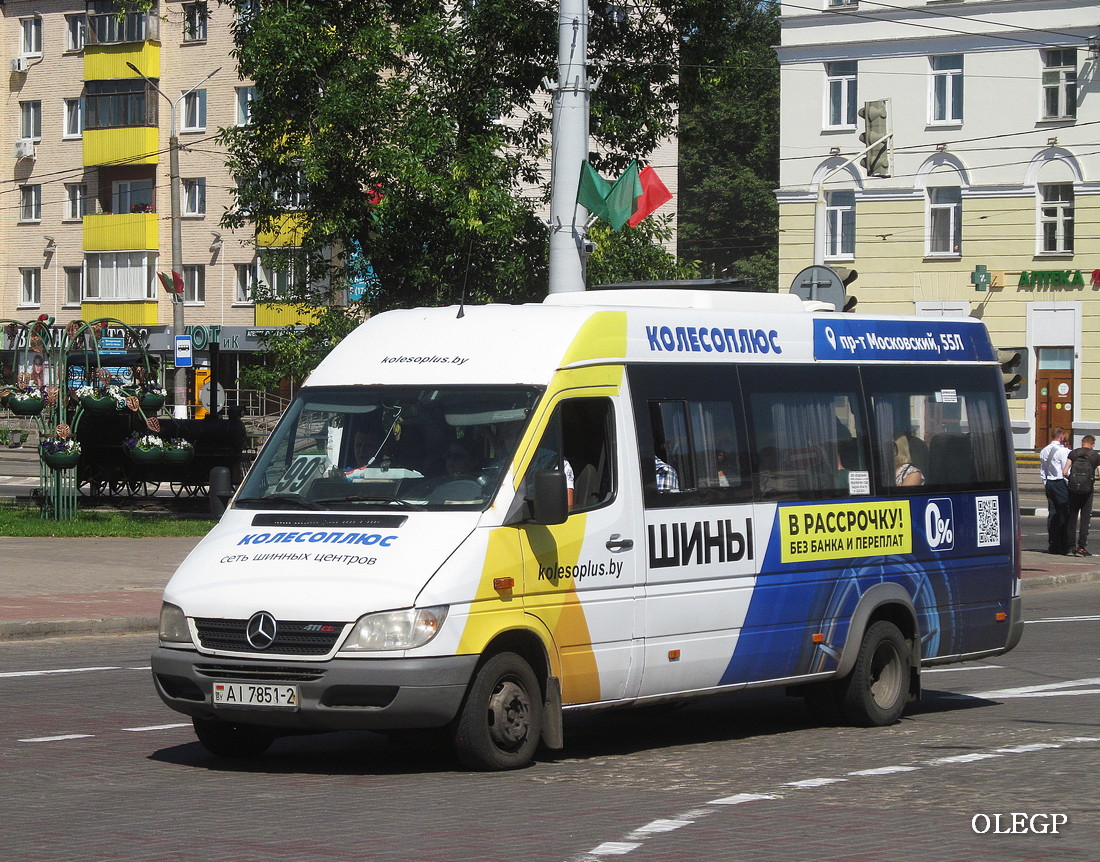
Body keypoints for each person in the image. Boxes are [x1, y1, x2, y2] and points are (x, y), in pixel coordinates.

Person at [1063, 433, 1100, 556]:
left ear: (1082, 443)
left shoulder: (1073, 453)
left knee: (1072, 518)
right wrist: (1091, 479)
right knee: (1085, 518)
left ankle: (1070, 547)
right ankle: (1082, 548)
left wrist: (1073, 480)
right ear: (1092, 445)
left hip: (1073, 490)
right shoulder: (1095, 456)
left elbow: (1064, 472)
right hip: (1087, 491)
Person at [1040, 426, 1070, 555]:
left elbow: (1043, 470)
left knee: (1052, 514)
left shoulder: (1044, 450)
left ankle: (1053, 544)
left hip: (1049, 483)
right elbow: (1066, 470)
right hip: (1059, 483)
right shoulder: (1063, 451)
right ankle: (1063, 544)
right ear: (1062, 436)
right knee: (1063, 513)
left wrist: (1046, 482)